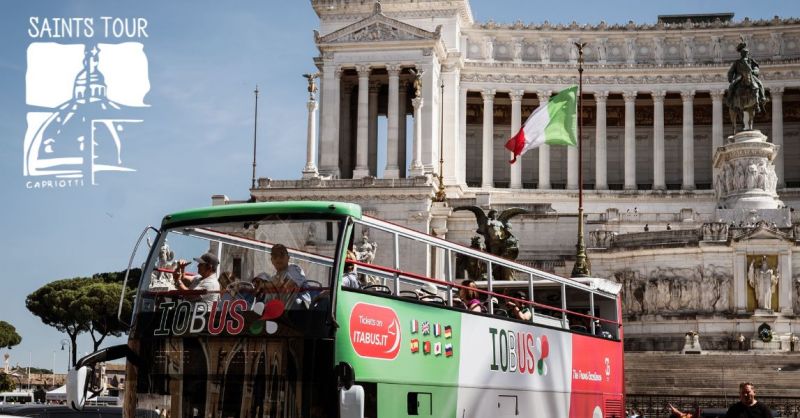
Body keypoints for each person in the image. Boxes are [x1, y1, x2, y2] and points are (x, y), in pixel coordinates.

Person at [265, 244, 309, 308]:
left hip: (299, 311)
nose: (278, 258)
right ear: (272, 260)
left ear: (288, 258)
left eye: (282, 255)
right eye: (275, 256)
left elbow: (287, 284)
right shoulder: (273, 279)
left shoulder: (294, 269)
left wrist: (264, 285)